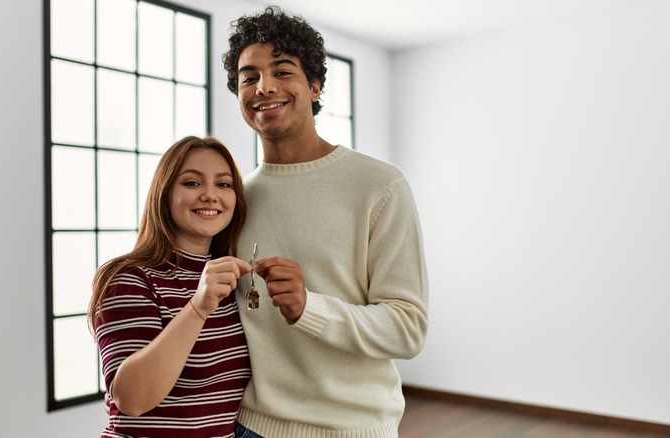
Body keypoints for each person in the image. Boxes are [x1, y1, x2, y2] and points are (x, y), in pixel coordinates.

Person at [222, 6, 429, 438]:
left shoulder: (380, 186)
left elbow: (407, 329)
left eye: (282, 71)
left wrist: (309, 308)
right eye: (249, 77)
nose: (264, 87)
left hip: (352, 428)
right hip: (251, 427)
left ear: (314, 87)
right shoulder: (234, 199)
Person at [87, 135, 252, 438]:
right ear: (165, 194)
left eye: (224, 184)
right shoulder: (128, 278)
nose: (210, 195)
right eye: (192, 183)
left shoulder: (234, 281)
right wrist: (198, 307)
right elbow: (132, 400)